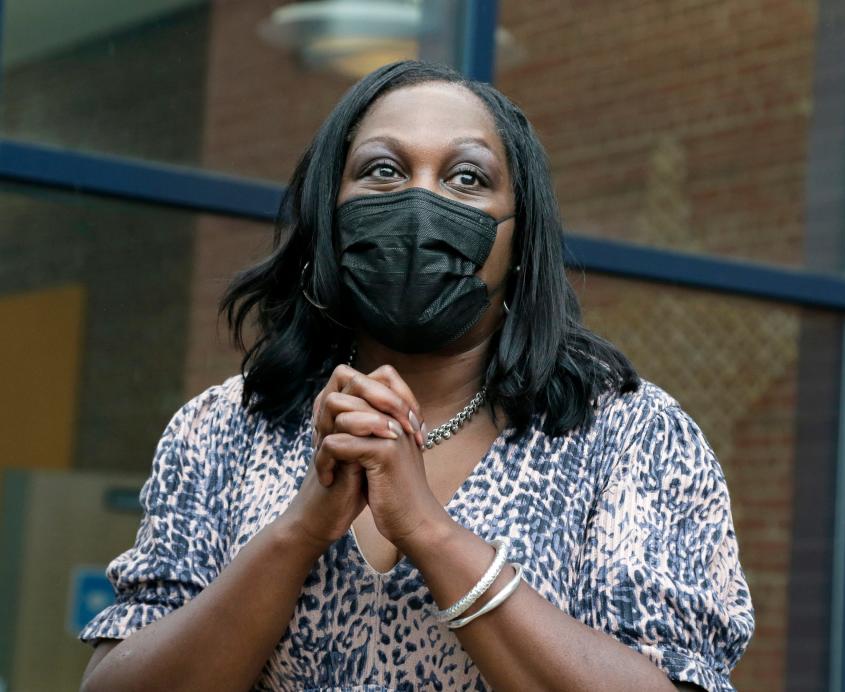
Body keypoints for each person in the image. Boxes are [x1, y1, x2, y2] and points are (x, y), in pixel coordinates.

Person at [78, 60, 753, 691]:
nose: (420, 203)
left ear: (519, 239)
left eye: (466, 178)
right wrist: (299, 532)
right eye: (382, 170)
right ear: (329, 217)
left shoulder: (630, 436)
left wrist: (429, 531)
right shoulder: (225, 428)